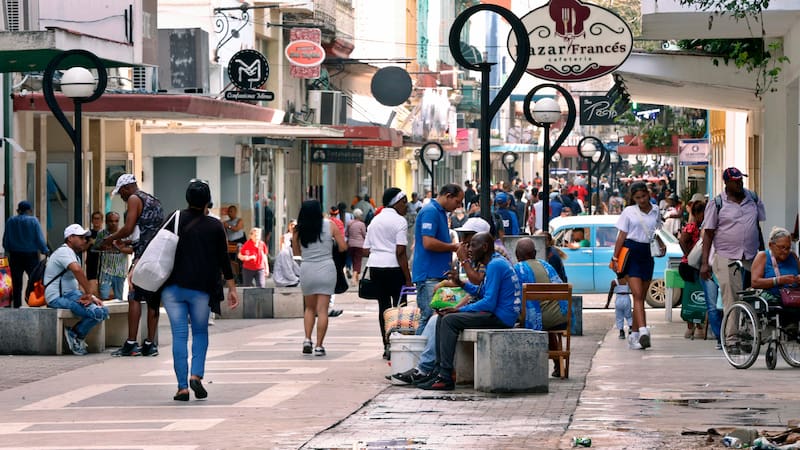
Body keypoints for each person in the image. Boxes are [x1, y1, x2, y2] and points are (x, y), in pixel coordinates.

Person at [160, 180, 239, 401]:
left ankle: (182, 387)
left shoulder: (174, 219)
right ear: (207, 201)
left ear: (187, 198)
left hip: (173, 288)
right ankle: (196, 374)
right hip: (201, 291)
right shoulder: (215, 226)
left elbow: (158, 246)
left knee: (179, 335)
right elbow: (224, 260)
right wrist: (232, 288)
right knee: (201, 332)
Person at [390, 217, 491, 385]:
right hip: (480, 306)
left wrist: (458, 309)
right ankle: (429, 368)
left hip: (491, 312)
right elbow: (476, 290)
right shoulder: (479, 260)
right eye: (464, 238)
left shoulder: (489, 262)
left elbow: (480, 291)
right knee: (437, 318)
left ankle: (432, 370)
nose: (465, 243)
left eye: (470, 239)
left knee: (441, 320)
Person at [417, 232, 521, 390]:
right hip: (496, 314)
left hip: (501, 318)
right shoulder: (494, 263)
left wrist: (458, 310)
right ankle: (438, 371)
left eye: (473, 245)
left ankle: (445, 376)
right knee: (441, 318)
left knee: (450, 320)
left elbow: (488, 303)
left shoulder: (495, 265)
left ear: (485, 247)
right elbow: (481, 291)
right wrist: (460, 282)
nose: (470, 249)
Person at [99, 174, 165, 357]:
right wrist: (127, 245)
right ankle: (150, 344)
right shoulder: (153, 200)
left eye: (121, 193)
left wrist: (110, 238)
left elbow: (128, 228)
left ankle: (131, 343)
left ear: (127, 188)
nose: (122, 197)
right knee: (152, 299)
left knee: (134, 296)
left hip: (143, 256)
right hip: (157, 254)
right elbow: (147, 232)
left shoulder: (135, 198)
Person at [700, 167, 766, 348]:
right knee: (732, 296)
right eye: (735, 181)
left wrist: (763, 253)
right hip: (726, 255)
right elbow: (708, 234)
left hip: (750, 255)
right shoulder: (718, 203)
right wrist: (705, 263)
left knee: (753, 296)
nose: (739, 183)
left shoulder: (752, 198)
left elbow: (757, 227)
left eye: (740, 180)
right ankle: (731, 339)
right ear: (727, 183)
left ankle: (747, 333)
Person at [293, 199, 347, 356]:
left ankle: (307, 339)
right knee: (322, 309)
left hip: (307, 268)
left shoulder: (298, 229)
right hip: (326, 269)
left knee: (309, 308)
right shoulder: (330, 225)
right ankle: (319, 346)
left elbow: (297, 253)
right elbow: (343, 247)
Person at [363, 188, 412, 359]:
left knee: (383, 308)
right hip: (394, 268)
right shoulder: (399, 221)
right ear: (395, 203)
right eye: (404, 202)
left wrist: (379, 250)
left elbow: (365, 250)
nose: (407, 206)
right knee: (400, 308)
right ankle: (399, 344)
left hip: (376, 268)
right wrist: (408, 278)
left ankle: (387, 345)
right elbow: (400, 252)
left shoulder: (374, 221)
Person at [45, 224, 110, 355]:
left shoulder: (73, 254)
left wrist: (90, 297)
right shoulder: (64, 252)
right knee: (96, 312)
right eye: (81, 237)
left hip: (72, 294)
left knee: (103, 310)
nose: (85, 241)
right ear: (70, 238)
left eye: (85, 238)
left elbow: (75, 280)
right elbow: (77, 270)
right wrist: (89, 293)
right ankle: (76, 336)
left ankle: (74, 334)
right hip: (57, 298)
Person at [609, 182, 660, 350]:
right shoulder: (629, 212)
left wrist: (661, 245)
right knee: (637, 294)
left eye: (644, 196)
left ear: (648, 193)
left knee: (642, 296)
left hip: (647, 253)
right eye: (637, 198)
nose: (641, 200)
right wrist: (615, 258)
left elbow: (655, 232)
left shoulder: (656, 210)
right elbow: (621, 236)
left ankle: (634, 335)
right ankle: (644, 331)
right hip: (631, 252)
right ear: (633, 198)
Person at [513, 237, 568, 377]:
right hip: (560, 318)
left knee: (517, 320)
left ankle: (527, 368)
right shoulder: (547, 266)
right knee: (547, 321)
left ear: (517, 254)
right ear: (535, 252)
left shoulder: (517, 269)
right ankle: (558, 366)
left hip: (536, 320)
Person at [412, 184, 463, 334]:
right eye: (457, 202)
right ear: (448, 196)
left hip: (437, 274)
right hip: (429, 275)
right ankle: (418, 354)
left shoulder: (440, 212)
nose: (458, 206)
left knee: (436, 317)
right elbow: (428, 242)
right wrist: (453, 247)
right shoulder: (430, 212)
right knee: (428, 316)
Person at [749, 227, 800, 331]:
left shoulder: (793, 256)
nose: (785, 251)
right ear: (771, 245)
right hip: (773, 296)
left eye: (788, 248)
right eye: (782, 247)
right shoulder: (762, 256)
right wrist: (779, 280)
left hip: (793, 296)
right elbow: (755, 282)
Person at [2, 200, 48, 308]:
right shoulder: (33, 221)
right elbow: (39, 238)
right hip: (31, 255)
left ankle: (16, 305)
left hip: (15, 256)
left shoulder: (10, 221)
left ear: (18, 210)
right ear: (30, 210)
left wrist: (9, 250)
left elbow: (5, 241)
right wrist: (45, 250)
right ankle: (33, 302)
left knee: (16, 282)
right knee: (34, 279)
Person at [678, 200, 708, 340]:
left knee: (698, 293)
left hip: (697, 265)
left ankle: (698, 326)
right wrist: (689, 256)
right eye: (703, 213)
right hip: (690, 267)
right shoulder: (692, 227)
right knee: (691, 294)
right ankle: (691, 326)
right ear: (696, 214)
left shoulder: (703, 226)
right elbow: (682, 240)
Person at [93, 212, 132, 300]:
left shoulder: (125, 234)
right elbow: (95, 248)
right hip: (105, 271)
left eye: (116, 221)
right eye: (111, 221)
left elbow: (131, 250)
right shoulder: (101, 234)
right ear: (106, 222)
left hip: (120, 271)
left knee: (118, 298)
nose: (113, 223)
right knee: (103, 297)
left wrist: (119, 248)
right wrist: (103, 246)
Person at [345, 209, 367, 284]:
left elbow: (346, 234)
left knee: (353, 260)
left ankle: (356, 278)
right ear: (360, 216)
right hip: (359, 245)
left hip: (350, 244)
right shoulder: (362, 224)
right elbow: (364, 235)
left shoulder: (349, 223)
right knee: (358, 261)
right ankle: (354, 278)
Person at [85, 211, 104, 296]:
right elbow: (82, 249)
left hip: (103, 264)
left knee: (104, 291)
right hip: (91, 263)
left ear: (102, 220)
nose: (96, 221)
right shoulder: (88, 234)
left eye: (98, 219)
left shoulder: (105, 233)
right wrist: (89, 243)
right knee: (93, 289)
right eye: (94, 219)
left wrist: (96, 243)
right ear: (92, 221)